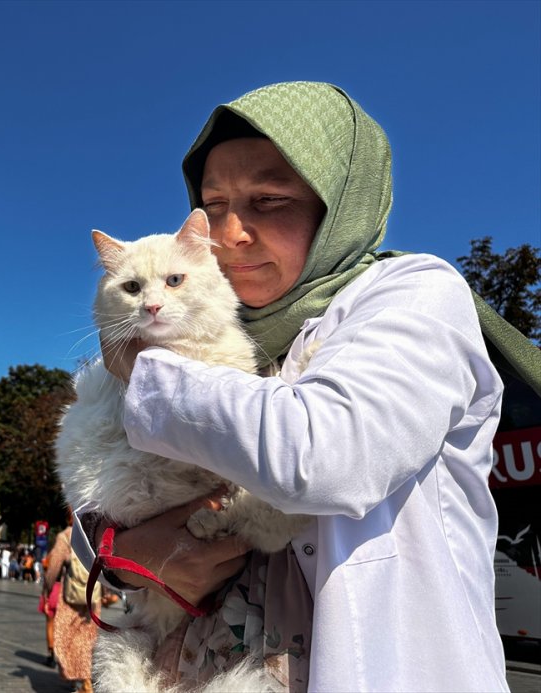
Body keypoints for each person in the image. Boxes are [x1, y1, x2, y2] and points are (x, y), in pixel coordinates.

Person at [72, 80, 537, 691]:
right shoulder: (209, 327)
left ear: (339, 203)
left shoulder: (415, 296)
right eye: (213, 205)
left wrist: (140, 368)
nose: (230, 233)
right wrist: (121, 555)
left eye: (269, 199)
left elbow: (324, 458)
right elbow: (110, 503)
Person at [45, 517, 99, 693]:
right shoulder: (95, 533)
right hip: (92, 597)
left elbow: (54, 566)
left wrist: (47, 589)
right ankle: (86, 681)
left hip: (71, 597)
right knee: (87, 640)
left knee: (66, 638)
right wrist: (107, 593)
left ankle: (81, 681)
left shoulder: (66, 536)